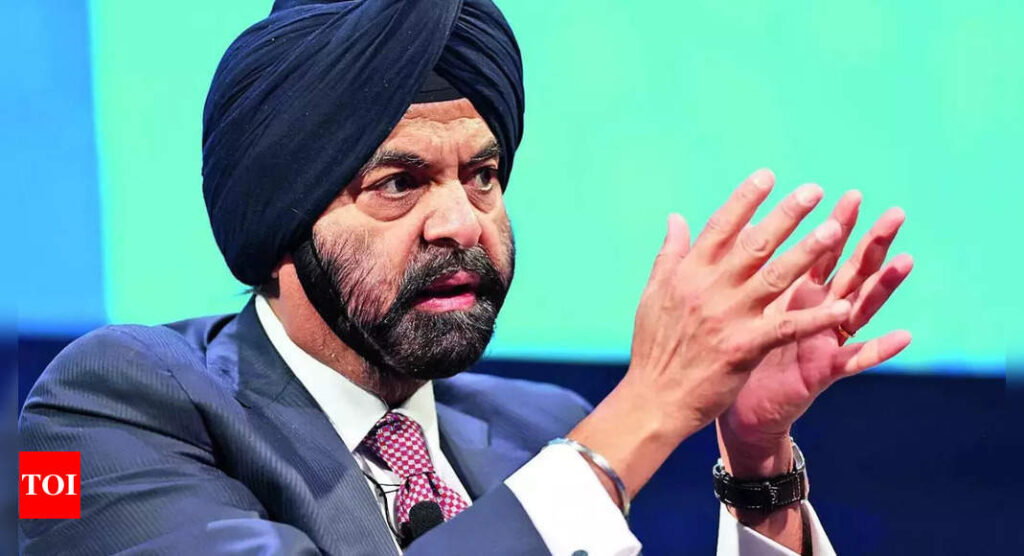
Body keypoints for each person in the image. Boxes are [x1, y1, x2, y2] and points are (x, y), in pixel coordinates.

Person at [19, 0, 913, 554]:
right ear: (281, 217)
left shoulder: (536, 430)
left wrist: (757, 466)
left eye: (482, 175)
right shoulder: (95, 416)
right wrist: (645, 409)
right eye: (399, 183)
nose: (461, 222)